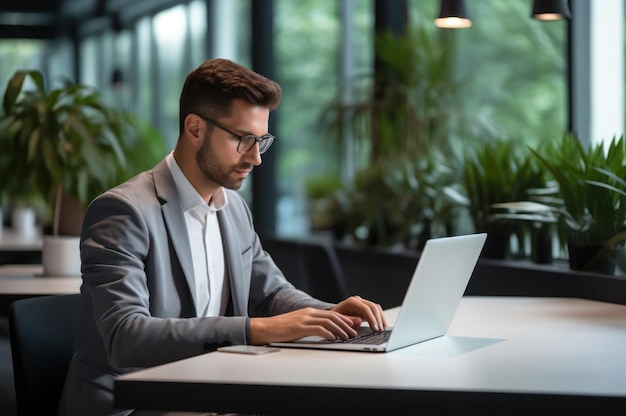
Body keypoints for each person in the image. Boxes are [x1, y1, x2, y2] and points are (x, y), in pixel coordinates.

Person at [57, 58, 387, 416]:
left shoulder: (234, 208)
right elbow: (126, 336)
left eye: (261, 141)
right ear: (195, 129)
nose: (256, 158)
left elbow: (272, 293)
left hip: (209, 394)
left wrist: (330, 317)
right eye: (244, 139)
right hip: (133, 405)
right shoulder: (124, 211)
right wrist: (254, 330)